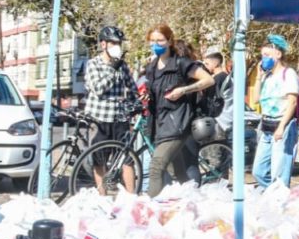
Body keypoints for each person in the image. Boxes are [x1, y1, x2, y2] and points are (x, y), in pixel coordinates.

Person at [143, 24, 214, 197]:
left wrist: (183, 90)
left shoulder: (181, 63)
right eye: (152, 41)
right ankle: (194, 201)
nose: (156, 44)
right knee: (179, 172)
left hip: (178, 123)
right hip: (160, 123)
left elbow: (208, 80)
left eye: (160, 40)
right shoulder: (152, 67)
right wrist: (146, 97)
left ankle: (147, 208)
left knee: (156, 166)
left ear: (169, 41)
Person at [83, 26, 140, 194]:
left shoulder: (122, 66)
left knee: (126, 159)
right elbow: (99, 89)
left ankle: (131, 196)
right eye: (113, 43)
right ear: (103, 44)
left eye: (119, 43)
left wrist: (134, 100)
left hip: (119, 118)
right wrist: (112, 69)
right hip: (99, 118)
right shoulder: (93, 64)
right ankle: (103, 197)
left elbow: (133, 88)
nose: (117, 46)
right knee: (99, 160)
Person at [251, 34, 299, 188]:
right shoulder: (267, 77)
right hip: (266, 126)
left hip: (282, 126)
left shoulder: (288, 74)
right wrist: (259, 77)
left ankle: (278, 197)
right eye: (262, 56)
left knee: (279, 172)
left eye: (267, 55)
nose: (263, 59)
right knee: (258, 171)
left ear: (278, 55)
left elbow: (292, 102)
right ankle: (272, 192)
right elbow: (255, 99)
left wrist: (281, 127)